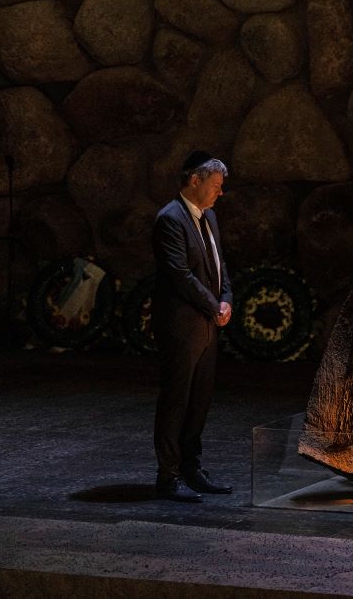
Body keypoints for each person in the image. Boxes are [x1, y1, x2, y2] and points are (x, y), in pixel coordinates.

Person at [151, 151, 234, 502]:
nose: (220, 193)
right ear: (194, 180)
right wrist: (214, 305)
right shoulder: (170, 220)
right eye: (215, 186)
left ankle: (191, 467)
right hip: (182, 326)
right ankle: (167, 476)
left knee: (199, 400)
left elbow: (218, 264)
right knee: (176, 400)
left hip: (207, 325)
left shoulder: (209, 217)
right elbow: (180, 275)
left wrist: (226, 297)